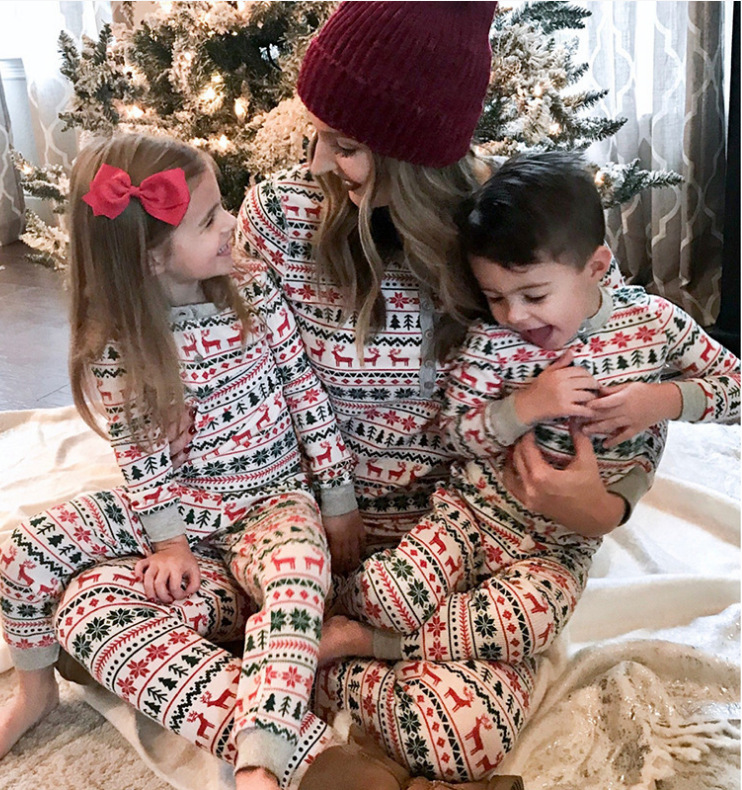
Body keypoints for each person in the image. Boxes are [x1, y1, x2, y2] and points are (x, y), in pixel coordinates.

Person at [232, 1, 633, 783]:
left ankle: (310, 671)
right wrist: (318, 516)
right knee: (146, 592)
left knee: (470, 732)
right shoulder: (279, 217)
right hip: (314, 533)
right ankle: (303, 672)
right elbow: (257, 391)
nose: (318, 161)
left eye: (346, 146)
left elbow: (615, 336)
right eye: (319, 135)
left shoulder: (502, 228)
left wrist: (605, 506)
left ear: (413, 157)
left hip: (458, 546)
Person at [0, 132, 362, 790]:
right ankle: (35, 694)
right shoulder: (119, 344)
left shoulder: (253, 291)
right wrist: (170, 543)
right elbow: (141, 458)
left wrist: (339, 501)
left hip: (274, 503)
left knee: (298, 581)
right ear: (151, 258)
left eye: (222, 208)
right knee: (26, 550)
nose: (232, 224)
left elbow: (305, 395)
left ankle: (263, 759)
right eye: (209, 220)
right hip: (182, 510)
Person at [320, 150, 741, 677]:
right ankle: (335, 612)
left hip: (559, 549)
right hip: (473, 517)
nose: (515, 315)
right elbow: (454, 433)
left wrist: (664, 401)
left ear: (596, 267)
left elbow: (735, 385)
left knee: (530, 625)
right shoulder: (494, 340)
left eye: (534, 294)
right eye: (496, 297)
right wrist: (524, 406)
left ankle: (367, 642)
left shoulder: (654, 322)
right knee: (386, 596)